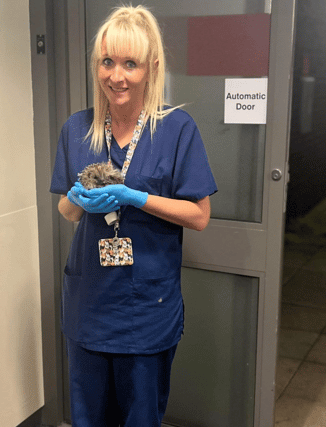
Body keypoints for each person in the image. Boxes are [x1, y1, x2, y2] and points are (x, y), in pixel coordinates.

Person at [49, 5, 217, 426]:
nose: (116, 76)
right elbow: (66, 212)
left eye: (130, 63)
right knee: (88, 417)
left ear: (151, 67)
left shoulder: (177, 129)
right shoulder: (77, 128)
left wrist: (135, 197)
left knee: (141, 417)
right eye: (107, 62)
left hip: (146, 310)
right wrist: (77, 200)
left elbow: (198, 216)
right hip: (89, 306)